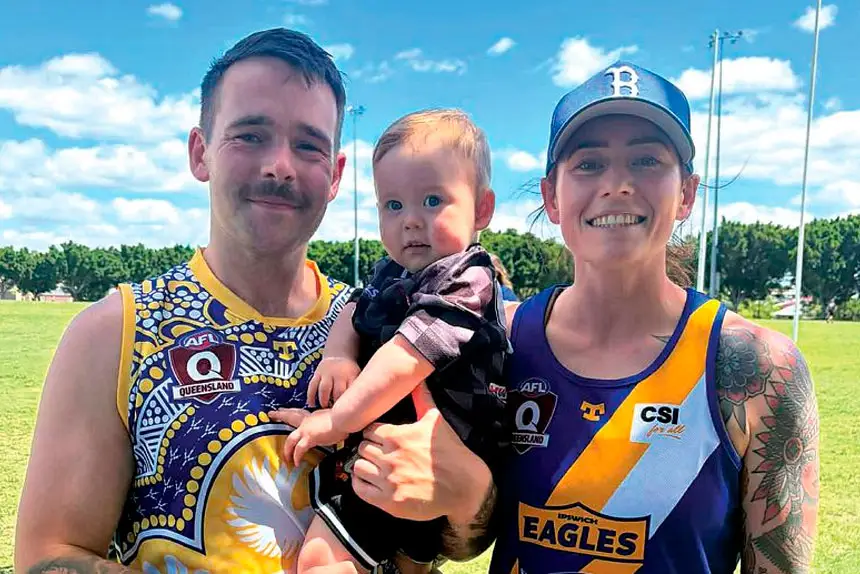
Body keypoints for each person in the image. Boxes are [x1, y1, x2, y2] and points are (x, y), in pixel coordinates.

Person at [14, 28, 495, 574]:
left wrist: (471, 493)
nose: (280, 165)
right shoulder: (113, 333)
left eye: (308, 145)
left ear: (335, 176)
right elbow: (49, 557)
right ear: (201, 153)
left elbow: (462, 539)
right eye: (250, 135)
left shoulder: (382, 324)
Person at [486, 62, 820, 573]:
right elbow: (458, 537)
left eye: (646, 160)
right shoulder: (500, 339)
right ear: (551, 196)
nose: (618, 184)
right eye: (589, 163)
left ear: (686, 193)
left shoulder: (759, 368)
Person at [269, 109, 509, 573]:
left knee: (319, 559)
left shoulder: (466, 279)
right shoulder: (393, 272)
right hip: (389, 459)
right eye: (393, 205)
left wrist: (336, 419)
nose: (411, 221)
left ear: (481, 209)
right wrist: (338, 355)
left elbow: (407, 358)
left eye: (433, 200)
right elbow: (355, 309)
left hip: (434, 464)